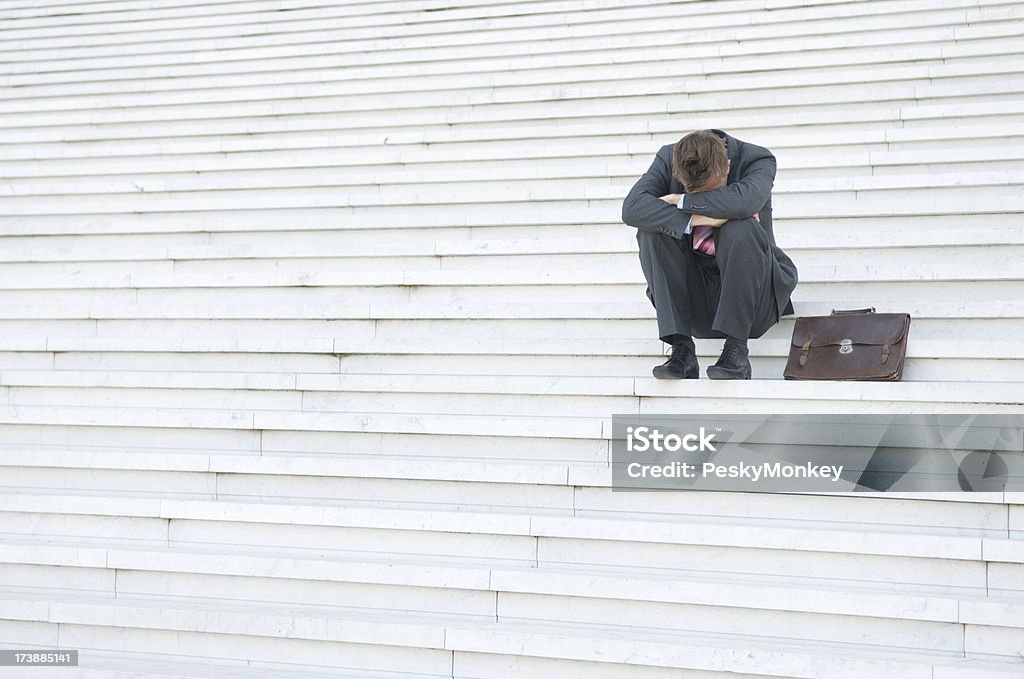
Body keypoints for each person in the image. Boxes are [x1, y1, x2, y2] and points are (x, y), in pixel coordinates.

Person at [622, 129, 798, 380]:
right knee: (652, 231)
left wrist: (681, 201)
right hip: (695, 301)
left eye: (710, 191)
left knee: (740, 227)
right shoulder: (667, 157)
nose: (702, 197)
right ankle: (682, 350)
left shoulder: (757, 160)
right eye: (695, 192)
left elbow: (744, 203)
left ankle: (737, 352)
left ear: (727, 167)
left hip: (755, 298)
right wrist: (700, 218)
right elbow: (632, 209)